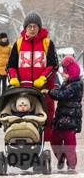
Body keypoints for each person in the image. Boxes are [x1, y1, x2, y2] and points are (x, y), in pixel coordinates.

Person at [6, 10, 59, 141]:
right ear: (25, 28)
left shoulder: (47, 43)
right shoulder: (18, 44)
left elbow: (54, 65)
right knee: (22, 117)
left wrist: (43, 78)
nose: (32, 29)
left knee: (42, 119)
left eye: (35, 26)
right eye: (29, 26)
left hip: (42, 90)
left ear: (39, 28)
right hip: (23, 90)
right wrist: (13, 77)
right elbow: (10, 65)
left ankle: (39, 146)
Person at [43, 55, 83, 173]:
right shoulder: (67, 83)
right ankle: (60, 158)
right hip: (61, 117)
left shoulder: (77, 85)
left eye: (66, 73)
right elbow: (60, 91)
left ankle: (71, 164)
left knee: (69, 142)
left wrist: (49, 91)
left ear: (72, 72)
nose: (64, 76)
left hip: (71, 118)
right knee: (54, 139)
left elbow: (63, 94)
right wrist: (54, 90)